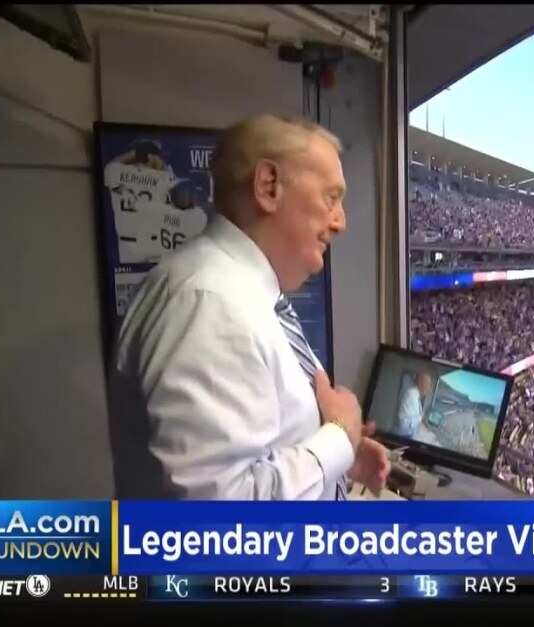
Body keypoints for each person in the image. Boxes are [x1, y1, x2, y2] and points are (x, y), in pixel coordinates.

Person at [107, 114, 389, 500]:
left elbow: (261, 451)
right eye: (331, 197)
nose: (341, 222)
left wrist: (341, 460)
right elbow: (220, 517)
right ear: (269, 186)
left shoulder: (240, 296)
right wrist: (338, 437)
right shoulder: (209, 305)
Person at [394, 372, 432, 438]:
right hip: (404, 436)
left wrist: (422, 418)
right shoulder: (411, 395)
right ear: (421, 382)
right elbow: (403, 423)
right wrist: (419, 418)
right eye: (427, 384)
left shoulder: (416, 394)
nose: (428, 388)